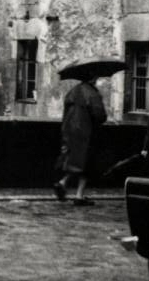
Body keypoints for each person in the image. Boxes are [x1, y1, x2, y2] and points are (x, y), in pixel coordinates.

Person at [53, 73, 106, 205]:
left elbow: (65, 113)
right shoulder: (92, 94)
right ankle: (79, 195)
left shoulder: (73, 91)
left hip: (70, 132)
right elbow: (100, 116)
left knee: (75, 163)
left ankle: (62, 183)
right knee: (87, 165)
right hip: (87, 133)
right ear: (93, 78)